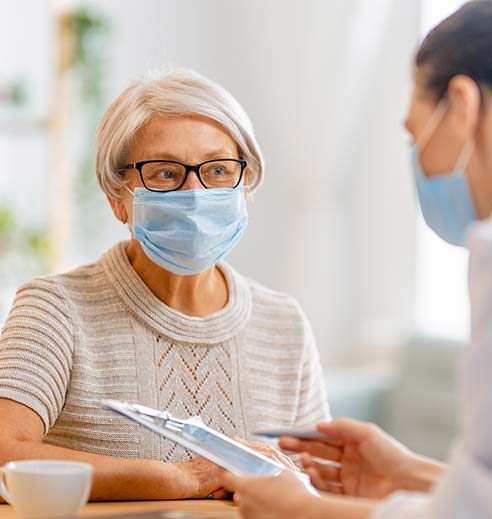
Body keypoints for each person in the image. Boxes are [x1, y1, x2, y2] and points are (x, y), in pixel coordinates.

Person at [221, 1, 492, 517]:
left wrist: (301, 510)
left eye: (415, 135)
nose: (420, 162)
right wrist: (413, 474)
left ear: (463, 102)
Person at [0, 68, 330, 501]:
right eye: (165, 173)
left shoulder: (283, 322)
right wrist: (183, 477)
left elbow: (318, 489)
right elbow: (5, 455)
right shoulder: (56, 308)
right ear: (117, 197)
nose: (194, 193)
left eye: (216, 170)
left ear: (245, 184)